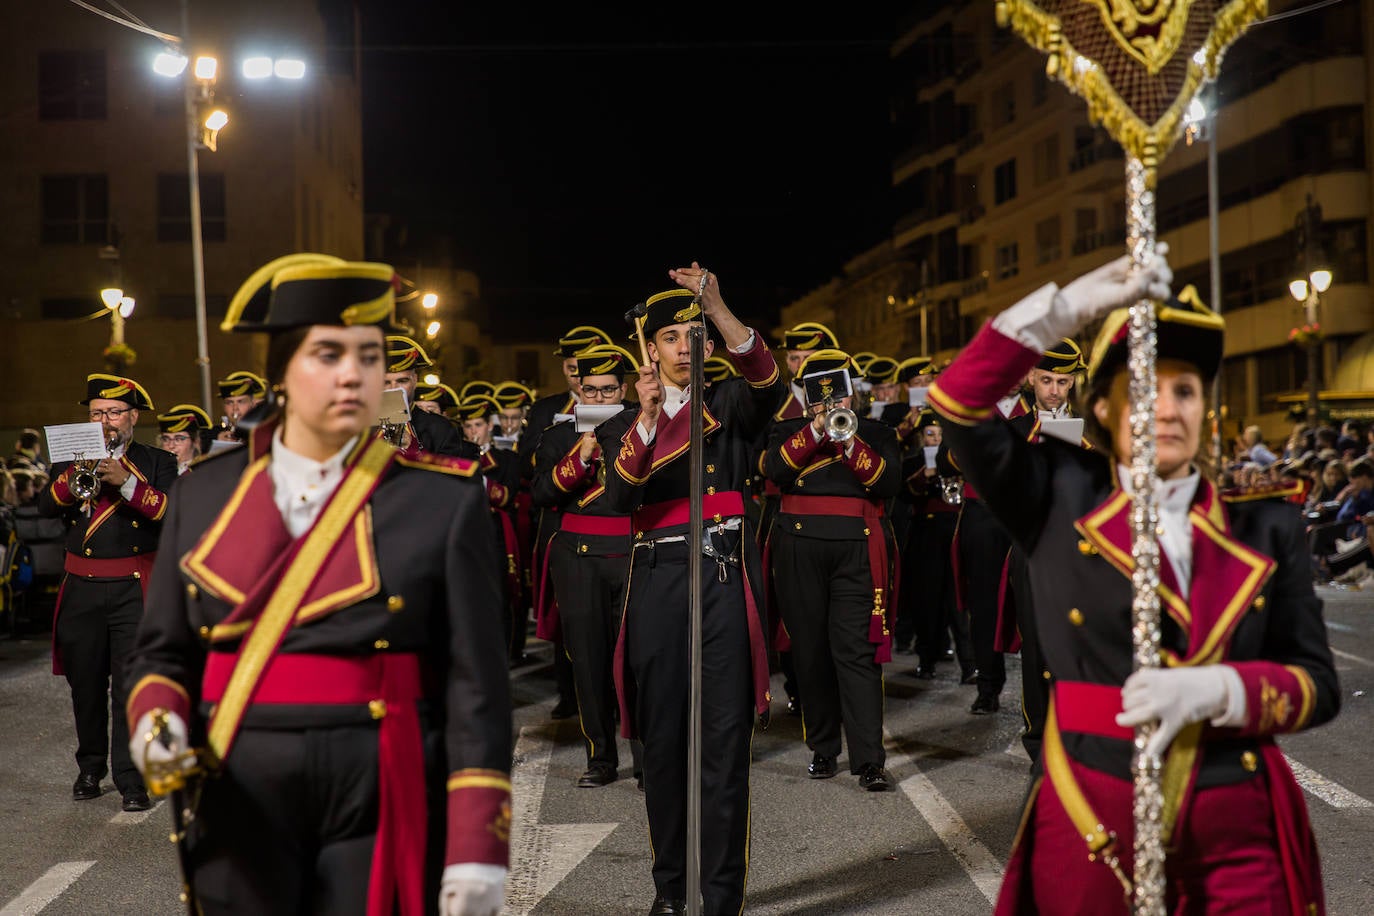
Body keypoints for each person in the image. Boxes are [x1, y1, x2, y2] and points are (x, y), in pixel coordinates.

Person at [927, 248, 1339, 914]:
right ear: (1105, 408)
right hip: (1095, 811)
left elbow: (1317, 686)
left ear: (1206, 409)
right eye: (1143, 389)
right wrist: (1062, 311)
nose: (1166, 409)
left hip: (1237, 824)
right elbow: (959, 400)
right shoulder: (1057, 495)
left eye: (1185, 390)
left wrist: (1222, 688)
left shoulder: (1266, 527)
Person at [124, 254, 511, 916]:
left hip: (379, 778)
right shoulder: (206, 494)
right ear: (281, 374)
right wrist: (155, 720)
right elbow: (163, 649)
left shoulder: (440, 501)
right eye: (328, 353)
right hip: (235, 776)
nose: (353, 374)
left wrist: (478, 844)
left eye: (368, 355)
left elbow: (474, 684)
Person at [601, 265, 782, 916]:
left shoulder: (729, 404)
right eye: (672, 335)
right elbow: (620, 500)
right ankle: (671, 893)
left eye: (695, 333)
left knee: (725, 753)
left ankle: (720, 900)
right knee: (665, 753)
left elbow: (767, 377)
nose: (687, 345)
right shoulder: (625, 425)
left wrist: (719, 305)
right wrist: (647, 423)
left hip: (723, 581)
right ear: (649, 348)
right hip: (658, 583)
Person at [36, 373, 176, 812]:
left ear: (134, 417)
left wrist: (127, 482)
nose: (106, 420)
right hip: (81, 587)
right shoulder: (70, 459)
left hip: (133, 588)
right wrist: (76, 474)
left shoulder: (156, 461)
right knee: (86, 683)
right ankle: (90, 766)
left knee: (131, 687)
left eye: (115, 412)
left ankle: (131, 777)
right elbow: (44, 507)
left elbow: (171, 514)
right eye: (98, 413)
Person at [762, 349, 901, 791]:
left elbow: (885, 482)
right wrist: (816, 429)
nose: (832, 404)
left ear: (852, 393)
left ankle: (869, 760)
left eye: (838, 395)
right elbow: (777, 473)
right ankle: (823, 748)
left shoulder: (877, 432)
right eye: (821, 396)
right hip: (799, 545)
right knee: (810, 651)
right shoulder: (786, 431)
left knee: (856, 652)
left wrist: (847, 440)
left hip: (856, 548)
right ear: (806, 396)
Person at [531, 344, 642, 787]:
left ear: (624, 388)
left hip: (634, 550)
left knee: (637, 659)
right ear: (579, 389)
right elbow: (541, 494)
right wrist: (581, 455)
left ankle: (648, 760)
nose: (598, 399)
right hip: (577, 556)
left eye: (607, 390)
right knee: (589, 661)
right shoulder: (558, 436)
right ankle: (601, 758)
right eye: (590, 391)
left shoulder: (641, 429)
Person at [520, 324, 612, 720]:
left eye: (585, 368)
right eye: (573, 369)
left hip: (616, 528)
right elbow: (529, 467)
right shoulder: (547, 411)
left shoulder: (629, 414)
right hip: (563, 523)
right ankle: (567, 691)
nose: (579, 376)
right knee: (568, 619)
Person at [385, 336, 475, 459]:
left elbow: (447, 476)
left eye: (402, 381)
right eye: (386, 382)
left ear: (415, 381)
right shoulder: (359, 425)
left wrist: (413, 449)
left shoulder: (441, 429)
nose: (393, 388)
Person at [157, 404, 212, 475]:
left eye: (179, 439)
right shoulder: (156, 472)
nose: (171, 445)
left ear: (195, 441)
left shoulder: (204, 471)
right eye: (166, 439)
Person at [215, 370, 268, 442]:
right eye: (229, 403)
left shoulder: (266, 432)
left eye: (241, 402)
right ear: (224, 407)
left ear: (253, 404)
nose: (235, 408)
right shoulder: (214, 434)